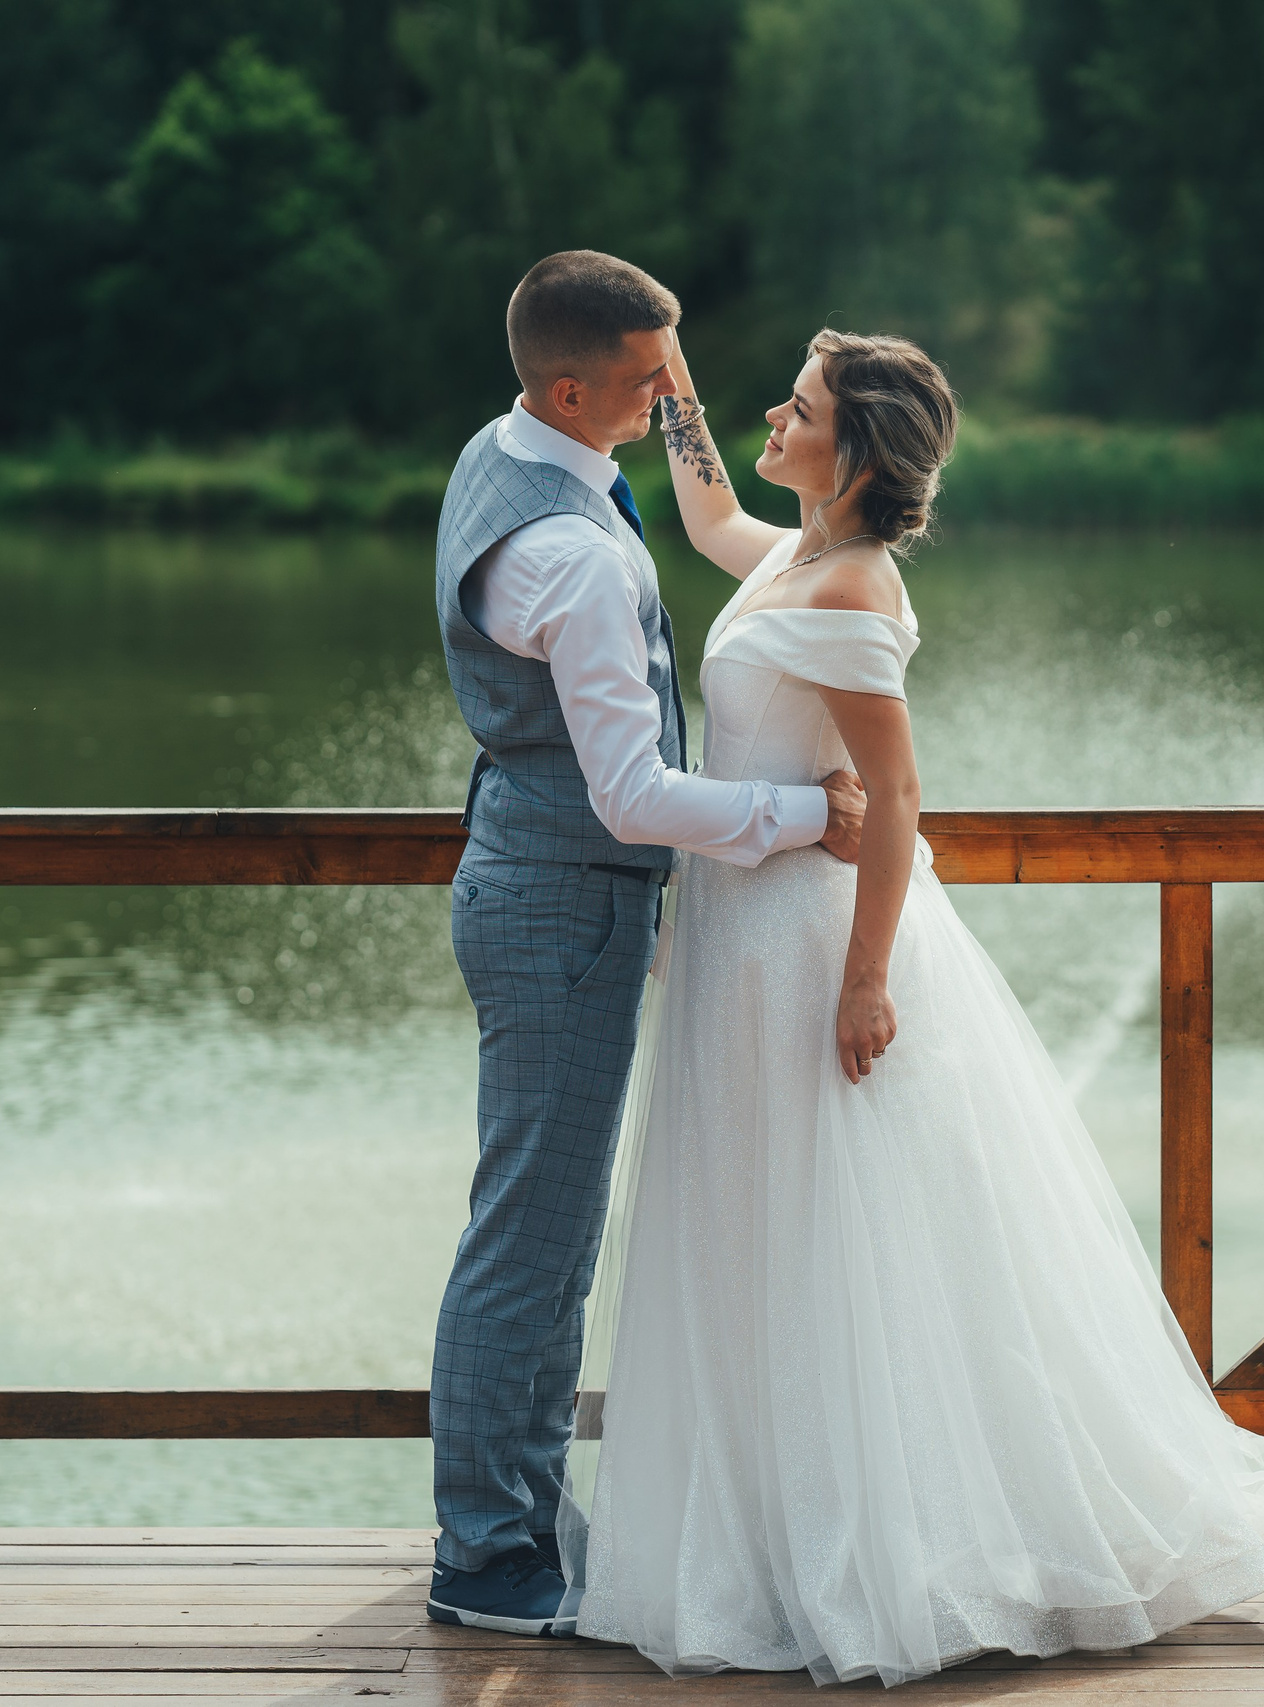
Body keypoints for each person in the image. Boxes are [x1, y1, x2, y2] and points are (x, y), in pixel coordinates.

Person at [572, 329, 1264, 1684]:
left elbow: (896, 796)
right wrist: (679, 398)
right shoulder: (791, 554)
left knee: (834, 1232)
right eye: (781, 407)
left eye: (797, 411)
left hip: (806, 945)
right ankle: (777, 1535)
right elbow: (711, 513)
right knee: (754, 1228)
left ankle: (882, 1553)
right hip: (739, 931)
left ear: (852, 453)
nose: (777, 424)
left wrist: (863, 979)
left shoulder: (849, 591)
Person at [427, 251, 866, 1637]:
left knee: (534, 1230)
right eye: (647, 377)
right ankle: (492, 1558)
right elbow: (634, 797)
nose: (674, 392)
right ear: (572, 387)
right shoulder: (570, 558)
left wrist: (670, 395)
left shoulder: (507, 452)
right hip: (566, 902)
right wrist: (810, 813)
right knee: (534, 1244)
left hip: (528, 872)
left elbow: (699, 486)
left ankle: (515, 1511)